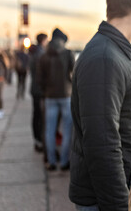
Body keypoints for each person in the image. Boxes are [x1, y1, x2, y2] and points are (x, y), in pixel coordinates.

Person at [69, 0, 131, 211]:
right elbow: (102, 144)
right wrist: (119, 206)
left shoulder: (117, 52)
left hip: (123, 190)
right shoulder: (105, 58)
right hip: (107, 201)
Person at [38, 28, 75, 171]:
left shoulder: (44, 55)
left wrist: (46, 90)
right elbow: (74, 74)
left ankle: (51, 162)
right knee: (67, 129)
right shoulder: (67, 53)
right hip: (66, 95)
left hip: (49, 96)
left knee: (49, 130)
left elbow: (39, 79)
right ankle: (65, 162)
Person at [29, 33, 48, 152]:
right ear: (43, 41)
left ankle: (37, 141)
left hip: (34, 89)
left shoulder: (35, 53)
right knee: (40, 117)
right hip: (39, 90)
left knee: (36, 115)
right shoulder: (41, 53)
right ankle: (39, 141)